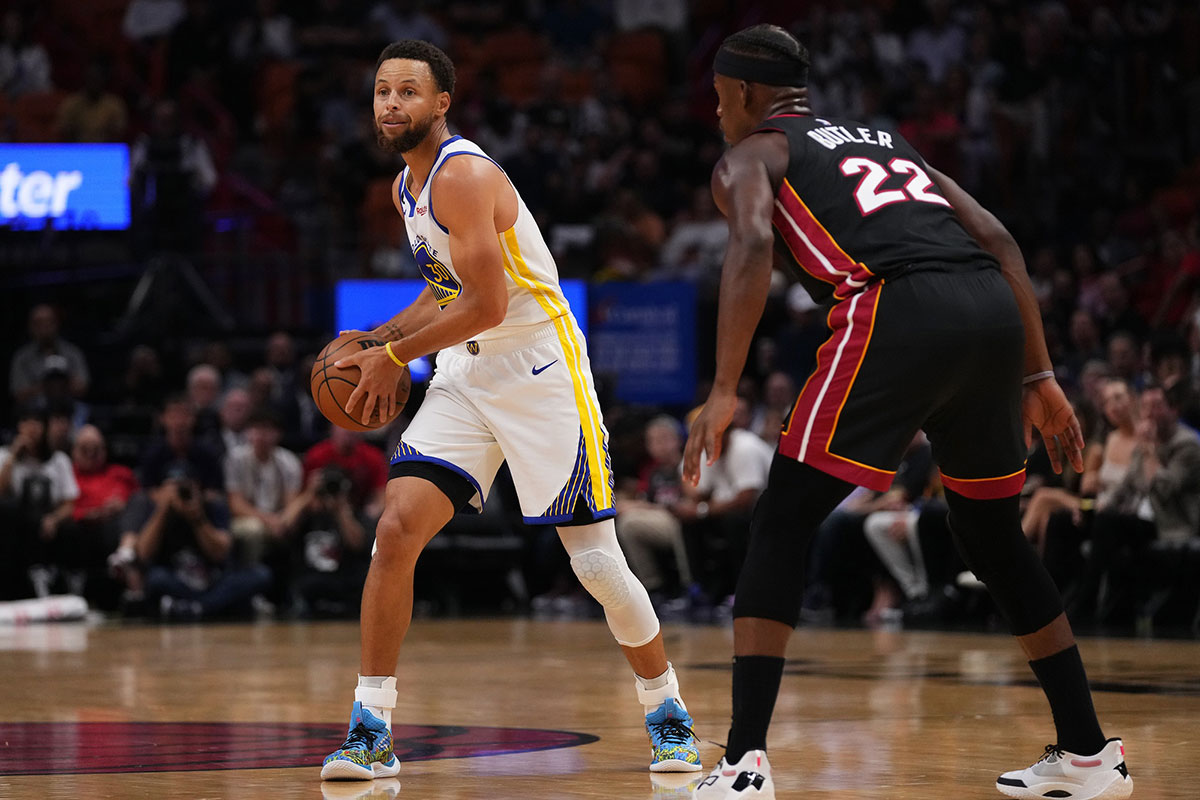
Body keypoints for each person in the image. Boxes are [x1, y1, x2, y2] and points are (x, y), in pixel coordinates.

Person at [685, 25, 1130, 800]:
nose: (716, 111)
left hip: (895, 305)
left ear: (746, 94)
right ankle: (1090, 753)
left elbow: (753, 244)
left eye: (719, 97)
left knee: (784, 518)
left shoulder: (751, 155)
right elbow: (998, 239)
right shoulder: (886, 141)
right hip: (991, 313)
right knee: (989, 532)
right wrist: (1040, 374)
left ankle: (744, 761)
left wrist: (724, 387)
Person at [319, 40, 701, 782]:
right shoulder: (408, 185)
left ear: (441, 104)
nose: (390, 104)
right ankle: (371, 727)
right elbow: (448, 289)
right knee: (395, 530)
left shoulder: (462, 176)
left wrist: (394, 358)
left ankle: (668, 711)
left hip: (540, 372)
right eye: (381, 91)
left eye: (407, 92)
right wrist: (380, 338)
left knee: (593, 562)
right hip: (468, 371)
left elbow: (491, 302)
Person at [9, 305, 90, 405]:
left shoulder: (72, 353)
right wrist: (47, 385)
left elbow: (82, 388)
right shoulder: (22, 358)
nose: (45, 326)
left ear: (57, 323)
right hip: (34, 412)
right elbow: (19, 394)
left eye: (49, 321)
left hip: (70, 410)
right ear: (30, 326)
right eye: (39, 323)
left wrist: (62, 383)